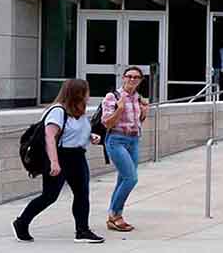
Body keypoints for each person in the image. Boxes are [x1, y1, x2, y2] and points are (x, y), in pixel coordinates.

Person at [13, 79, 104, 244]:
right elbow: (50, 138)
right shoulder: (57, 111)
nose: (88, 95)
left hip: (78, 156)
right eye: (86, 91)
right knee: (49, 196)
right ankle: (22, 222)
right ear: (77, 93)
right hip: (60, 156)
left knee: (82, 194)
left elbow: (75, 132)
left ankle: (82, 230)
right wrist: (54, 163)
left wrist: (91, 137)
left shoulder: (79, 111)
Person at [100, 66, 149, 233]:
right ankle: (115, 214)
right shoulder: (112, 97)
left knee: (123, 179)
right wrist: (119, 109)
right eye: (129, 76)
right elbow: (106, 122)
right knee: (131, 178)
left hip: (133, 140)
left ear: (140, 80)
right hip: (116, 140)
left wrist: (143, 113)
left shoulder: (138, 98)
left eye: (136, 77)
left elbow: (137, 122)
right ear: (123, 77)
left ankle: (114, 216)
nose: (132, 80)